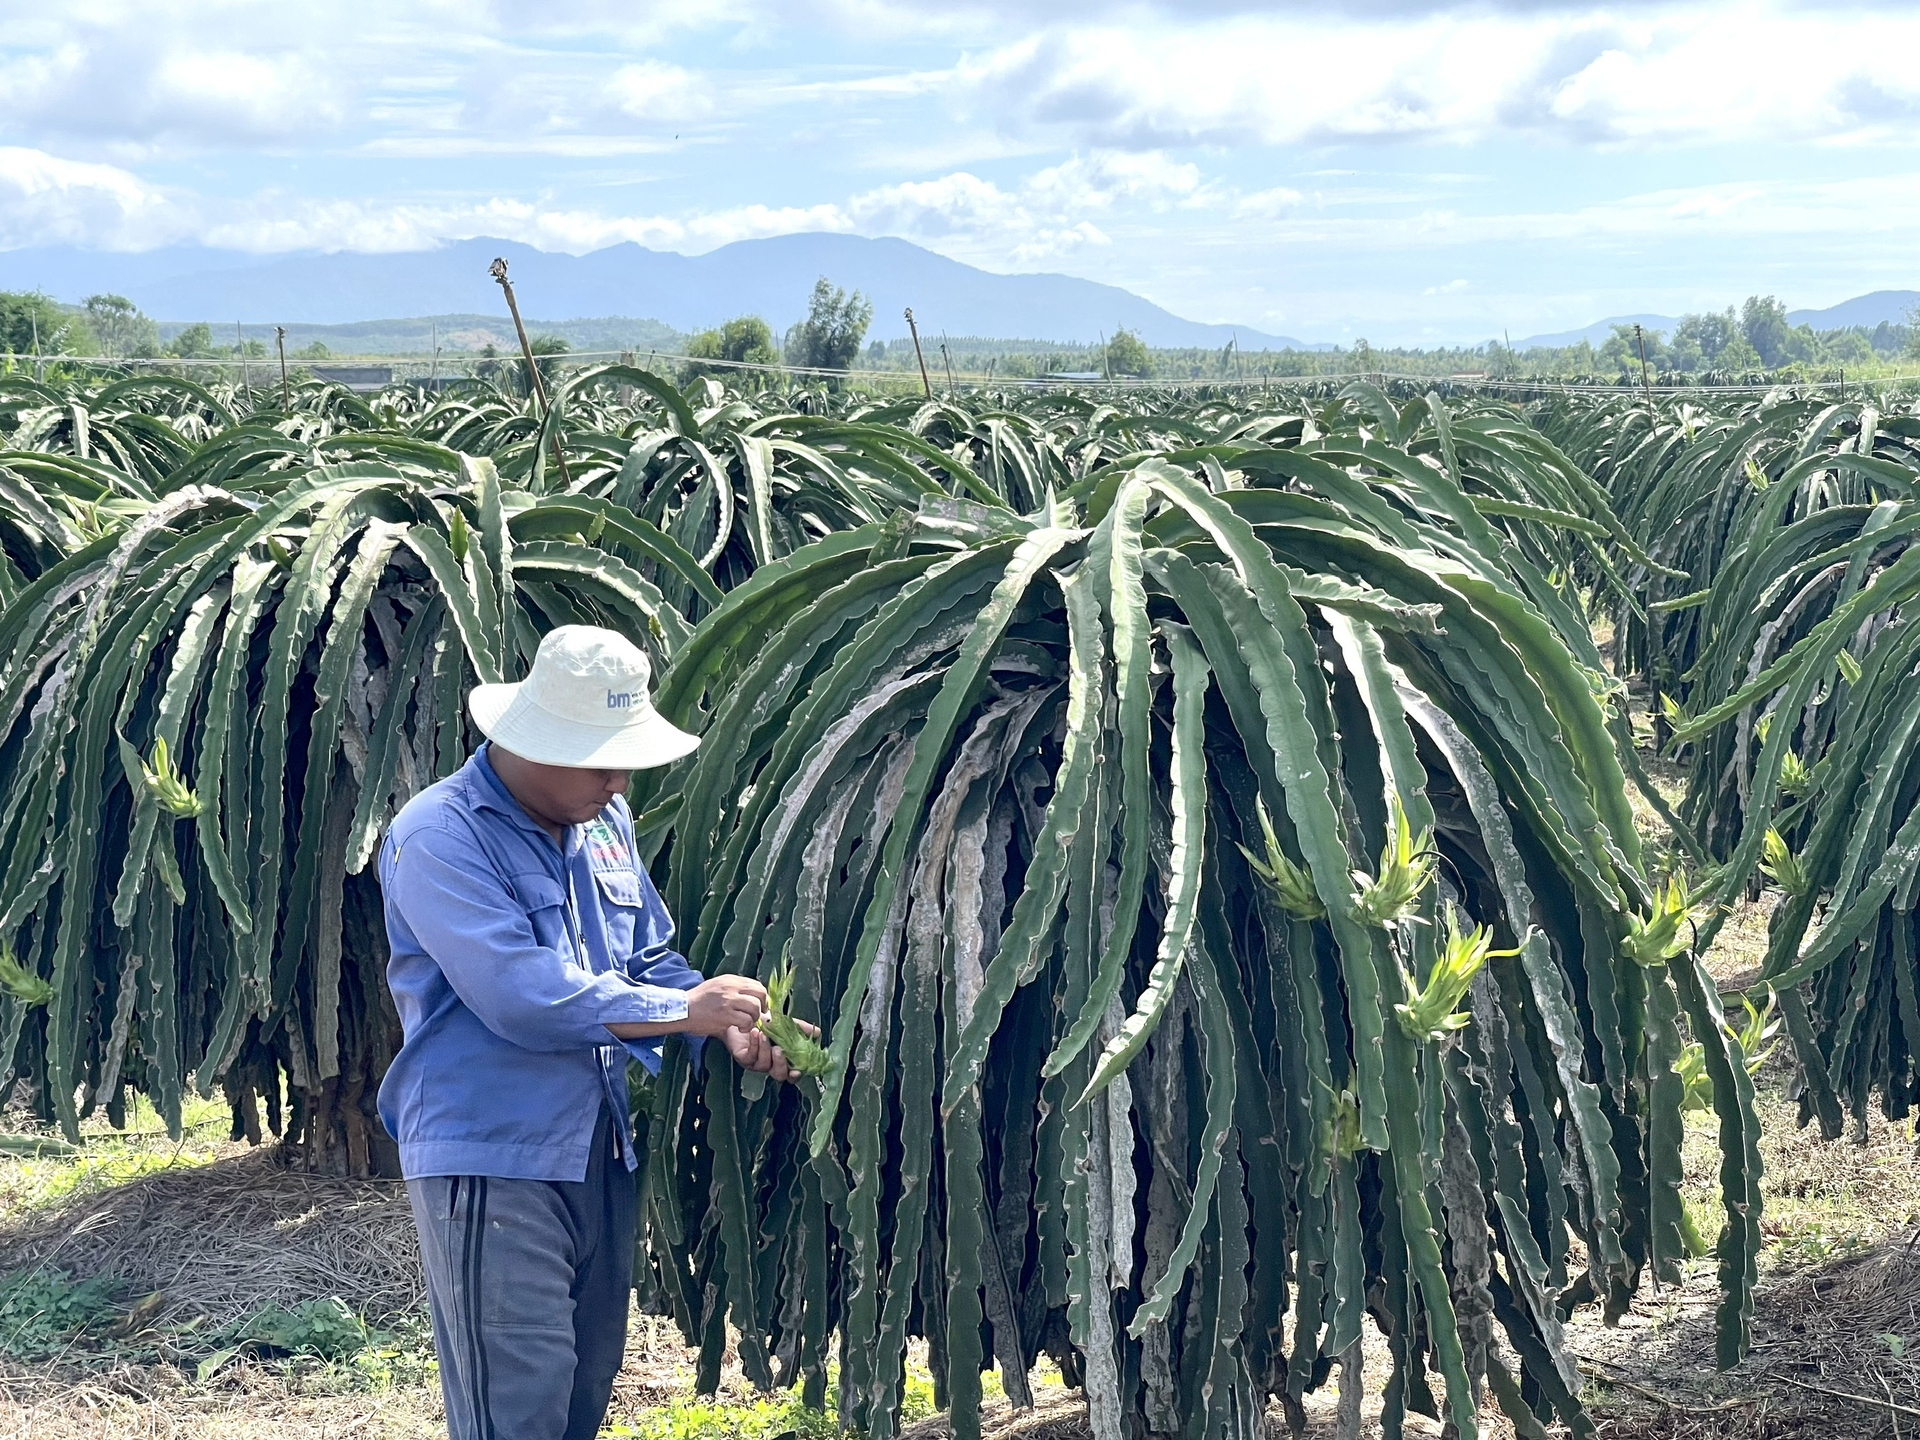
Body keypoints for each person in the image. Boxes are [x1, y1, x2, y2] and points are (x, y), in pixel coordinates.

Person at [377, 624, 810, 1440]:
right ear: (533, 743)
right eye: (602, 762)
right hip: (491, 1159)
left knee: (579, 1398)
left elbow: (648, 955)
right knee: (518, 1406)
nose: (619, 783)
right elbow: (517, 992)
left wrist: (726, 1023)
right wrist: (681, 1011)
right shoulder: (440, 835)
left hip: (598, 1150)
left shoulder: (605, 822)